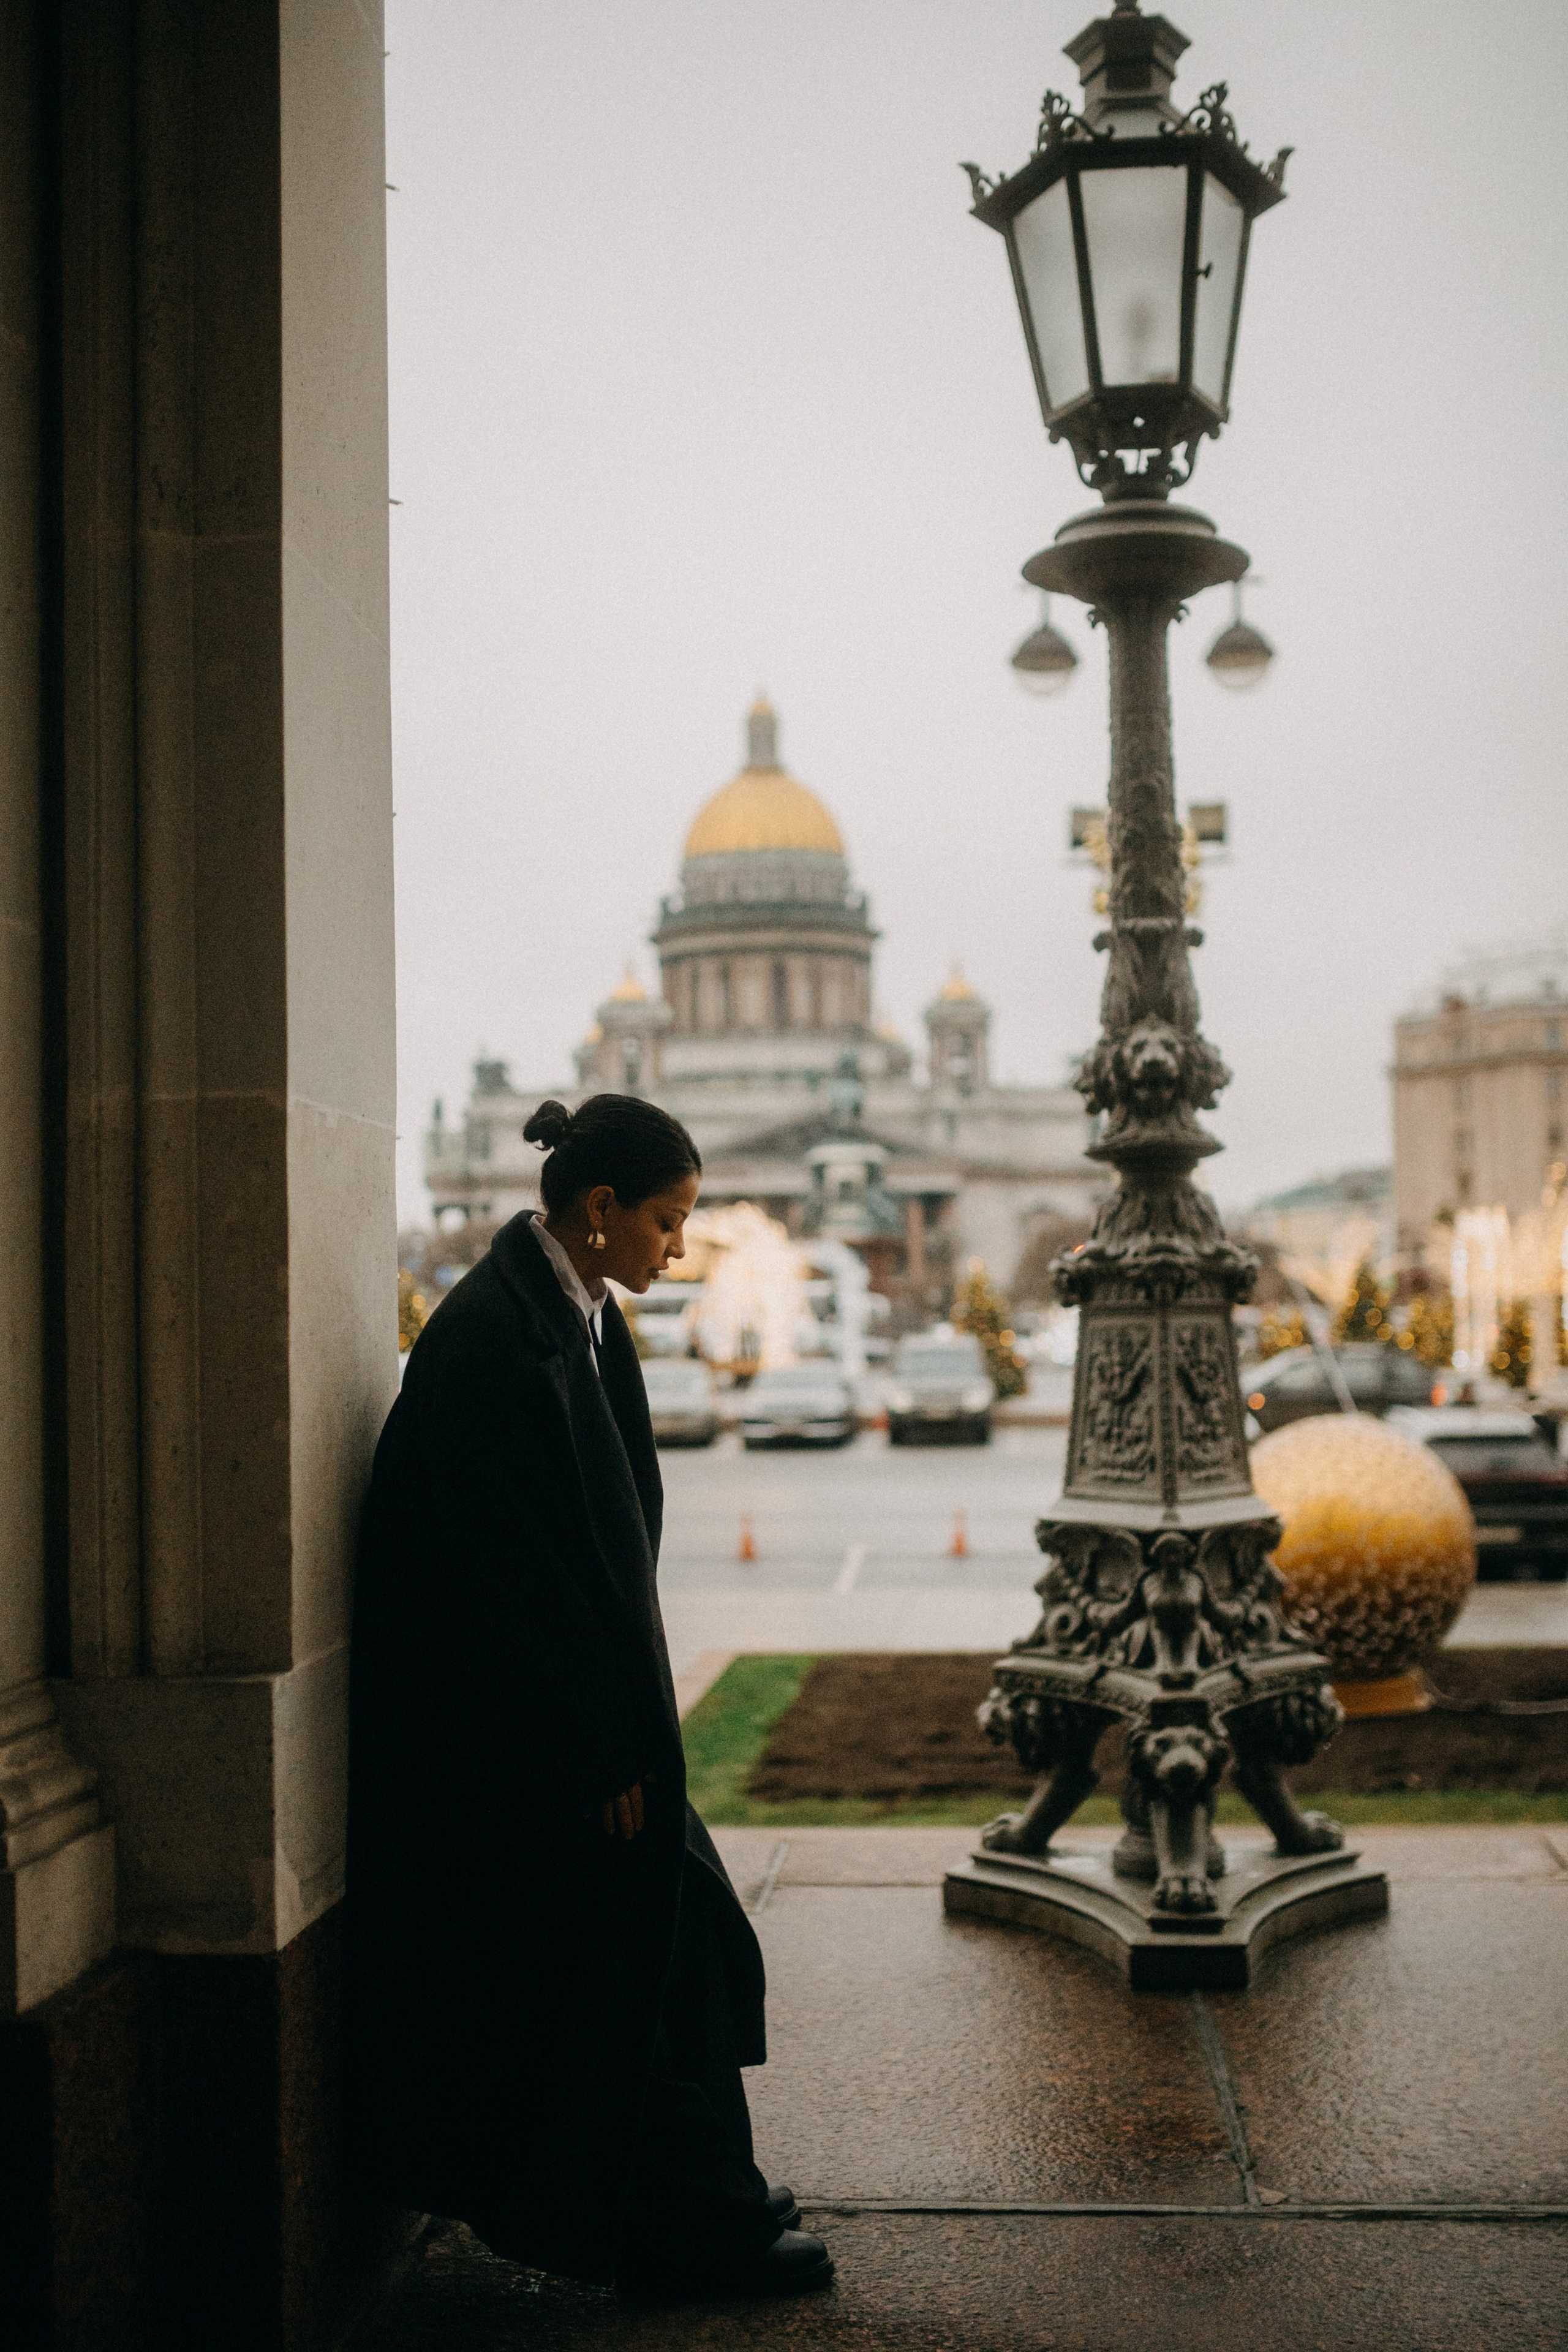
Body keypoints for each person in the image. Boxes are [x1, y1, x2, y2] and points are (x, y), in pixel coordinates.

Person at [347, 1093, 832, 2302]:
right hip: (547, 1756)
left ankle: (703, 2188)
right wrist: (591, 1756)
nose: (679, 1247)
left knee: (683, 1949)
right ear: (599, 1209)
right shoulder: (497, 1344)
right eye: (667, 1221)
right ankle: (687, 2232)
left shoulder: (562, 1313)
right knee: (633, 1971)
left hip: (586, 1731)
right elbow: (505, 1583)